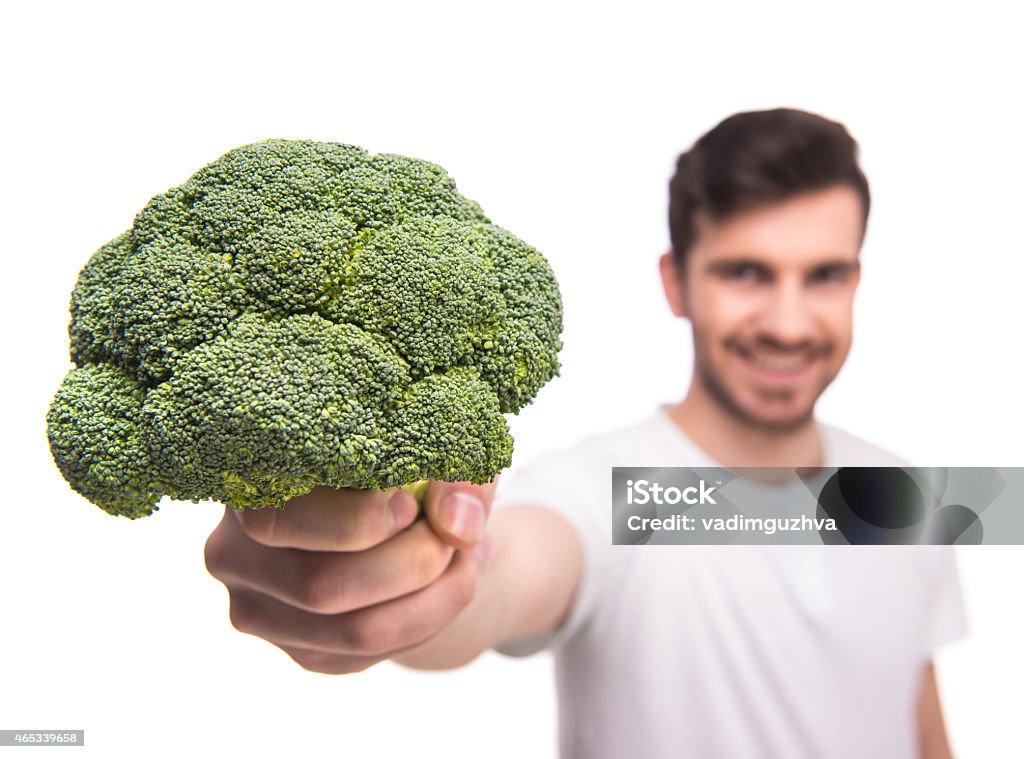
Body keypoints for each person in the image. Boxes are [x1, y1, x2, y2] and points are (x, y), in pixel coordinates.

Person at [204, 108, 967, 759]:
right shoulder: (607, 492)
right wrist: (410, 584)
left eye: (825, 274)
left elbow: (918, 719)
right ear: (676, 281)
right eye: (746, 273)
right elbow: (504, 577)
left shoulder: (907, 489)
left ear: (858, 280)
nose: (790, 322)